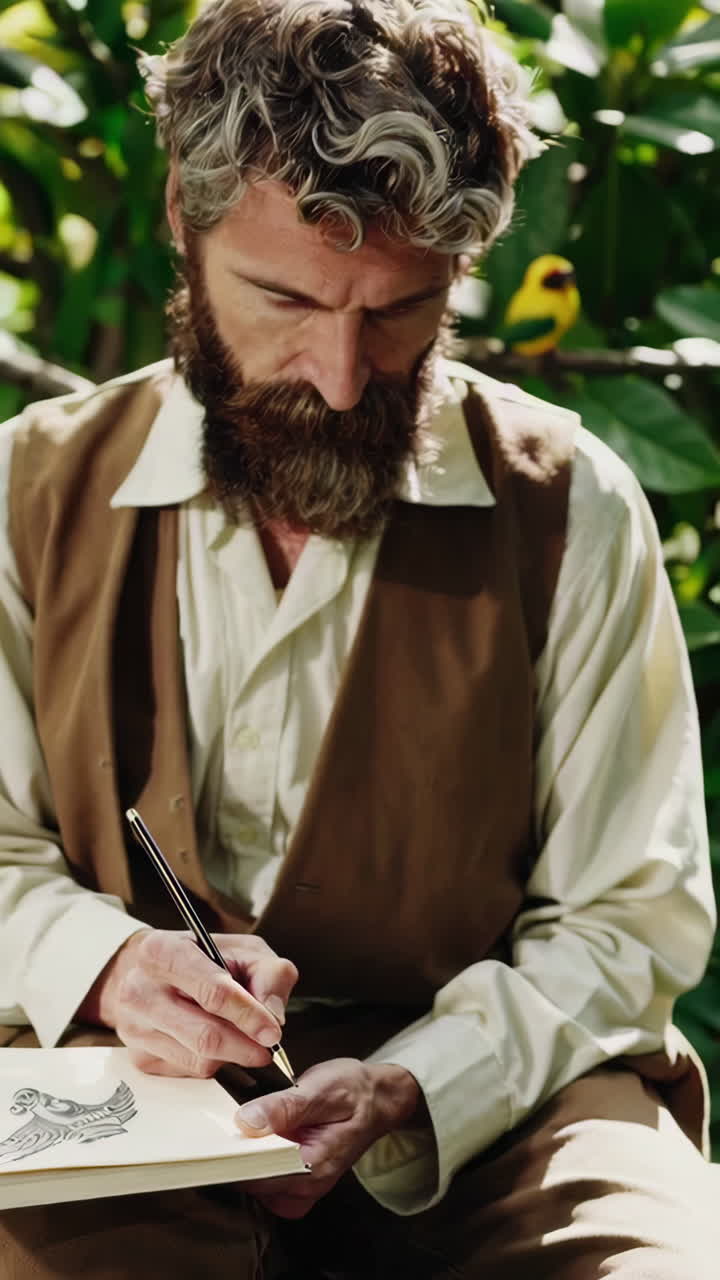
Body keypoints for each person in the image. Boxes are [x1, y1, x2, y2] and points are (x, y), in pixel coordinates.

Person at [0, 0, 717, 1275]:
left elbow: (626, 918)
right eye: (283, 299)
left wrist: (413, 1083)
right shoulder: (24, 492)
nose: (338, 374)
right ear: (183, 214)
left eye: (399, 314)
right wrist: (106, 961)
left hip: (497, 1110)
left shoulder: (572, 504)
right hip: (106, 1098)